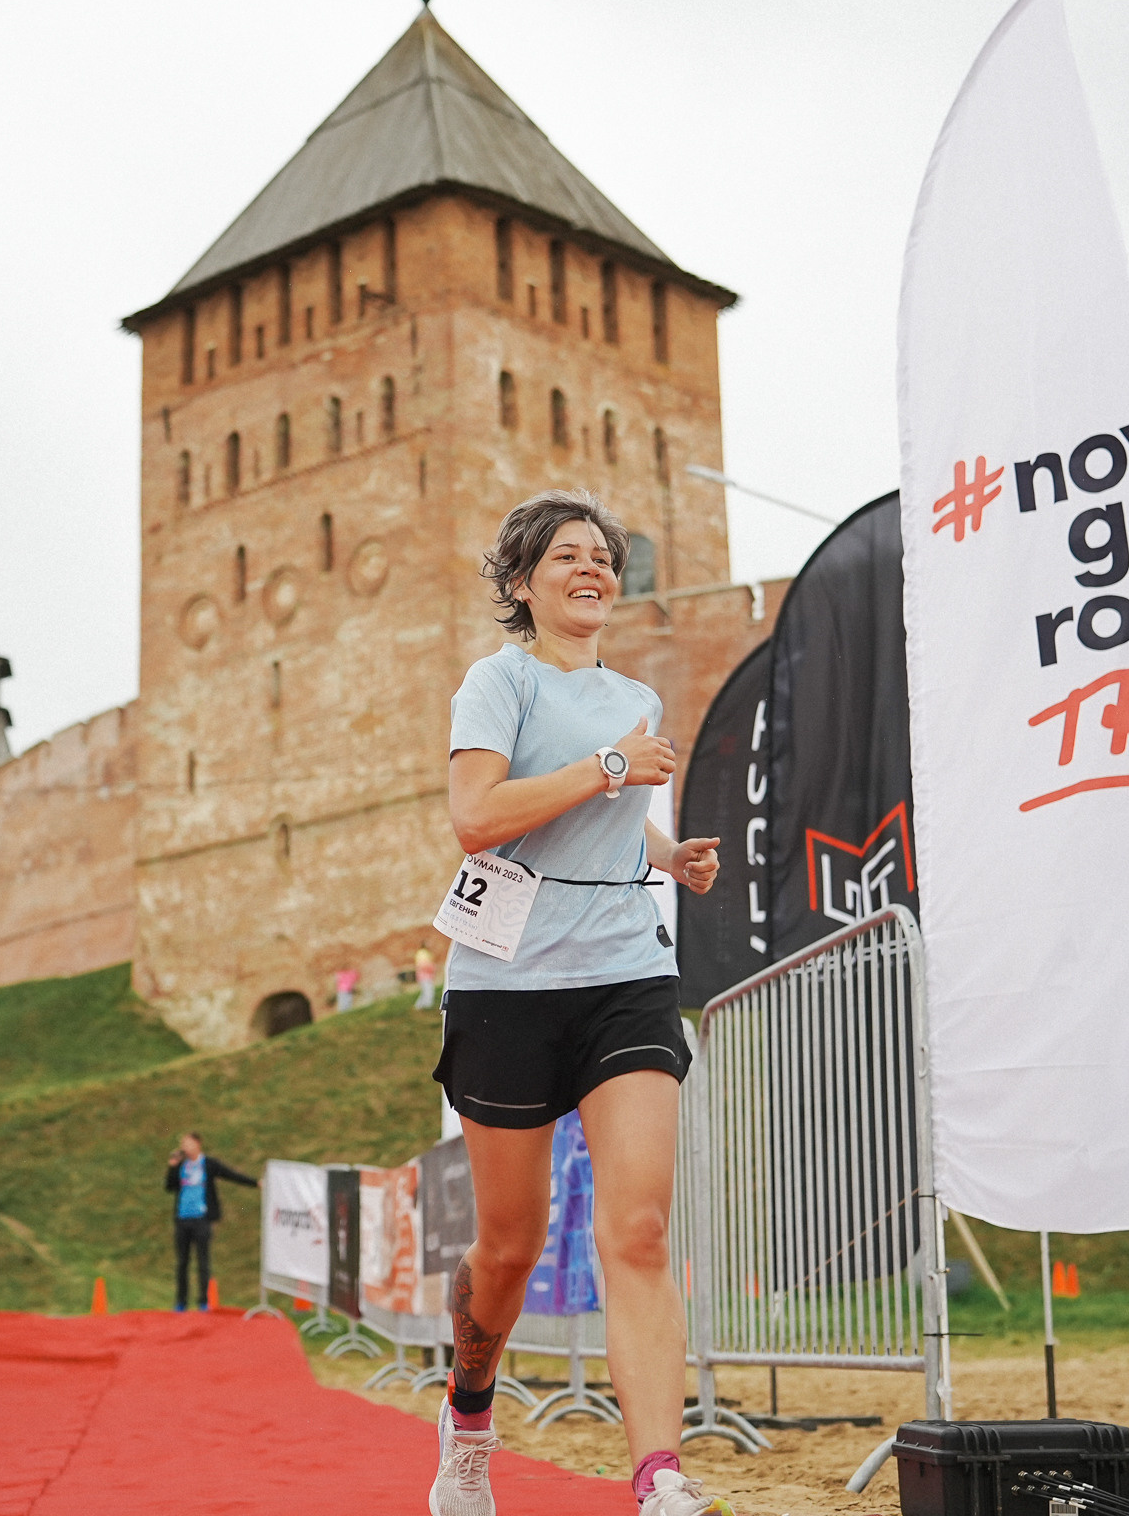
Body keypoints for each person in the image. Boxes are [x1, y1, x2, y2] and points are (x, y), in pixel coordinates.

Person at [429, 490, 728, 1516]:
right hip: (506, 982)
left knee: (638, 1226)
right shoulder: (497, 682)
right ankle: (469, 1419)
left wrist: (664, 852)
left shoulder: (635, 696)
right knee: (509, 1241)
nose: (591, 567)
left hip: (624, 973)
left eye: (603, 556)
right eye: (567, 555)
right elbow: (478, 817)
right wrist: (606, 769)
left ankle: (660, 1478)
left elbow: (600, 825)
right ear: (523, 583)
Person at [163, 1132, 256, 1312]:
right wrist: (172, 1167)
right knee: (182, 1262)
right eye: (183, 1144)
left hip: (202, 1219)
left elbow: (232, 1175)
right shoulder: (181, 1165)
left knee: (203, 1261)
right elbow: (169, 1187)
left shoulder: (208, 1164)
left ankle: (203, 1302)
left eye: (188, 1143)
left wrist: (255, 1183)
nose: (184, 1147)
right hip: (183, 1219)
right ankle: (181, 1302)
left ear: (198, 1144)